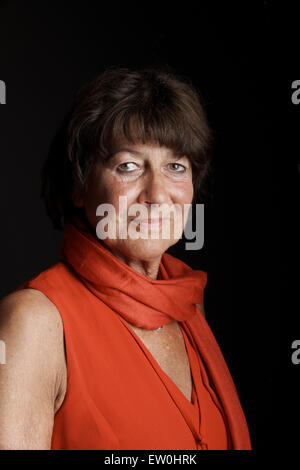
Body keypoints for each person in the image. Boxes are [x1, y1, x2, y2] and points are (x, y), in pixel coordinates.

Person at [0, 66, 251, 450]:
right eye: (128, 166)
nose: (157, 193)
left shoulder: (189, 309)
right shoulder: (33, 324)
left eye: (175, 167)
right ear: (79, 185)